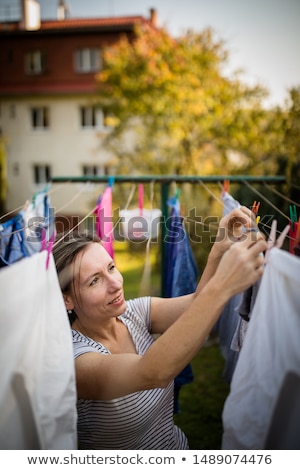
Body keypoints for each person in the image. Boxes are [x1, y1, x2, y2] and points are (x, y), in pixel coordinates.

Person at [52, 207, 267, 450]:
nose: (115, 284)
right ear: (66, 299)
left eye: (111, 268)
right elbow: (153, 372)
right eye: (94, 281)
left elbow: (197, 307)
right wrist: (224, 285)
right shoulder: (77, 362)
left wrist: (218, 250)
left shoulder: (135, 312)